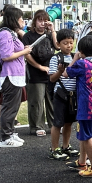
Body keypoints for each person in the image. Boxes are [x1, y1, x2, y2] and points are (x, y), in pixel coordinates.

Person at [65, 33, 92, 176]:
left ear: (81, 51)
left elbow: (66, 73)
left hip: (85, 105)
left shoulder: (82, 63)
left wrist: (74, 59)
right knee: (89, 134)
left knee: (86, 137)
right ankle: (82, 162)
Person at [0, 7, 32, 148]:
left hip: (16, 75)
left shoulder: (11, 33)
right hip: (10, 75)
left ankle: (10, 133)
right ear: (14, 20)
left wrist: (23, 50)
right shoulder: (5, 34)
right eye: (21, 19)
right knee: (9, 107)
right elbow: (6, 56)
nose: (23, 21)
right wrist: (24, 51)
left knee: (14, 107)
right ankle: (5, 137)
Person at [23, 10, 58, 138]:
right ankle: (37, 126)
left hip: (50, 73)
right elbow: (26, 55)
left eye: (45, 20)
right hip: (35, 73)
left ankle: (54, 125)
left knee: (52, 100)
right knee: (36, 101)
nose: (42, 23)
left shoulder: (49, 35)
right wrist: (40, 67)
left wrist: (53, 30)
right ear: (35, 21)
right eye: (40, 20)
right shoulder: (28, 36)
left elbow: (58, 46)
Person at [48, 28, 79, 160]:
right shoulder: (55, 58)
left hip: (73, 95)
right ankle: (54, 148)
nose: (69, 46)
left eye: (71, 43)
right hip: (60, 94)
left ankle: (66, 146)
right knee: (58, 123)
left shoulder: (75, 57)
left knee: (69, 122)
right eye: (65, 43)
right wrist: (60, 72)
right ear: (58, 44)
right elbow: (52, 78)